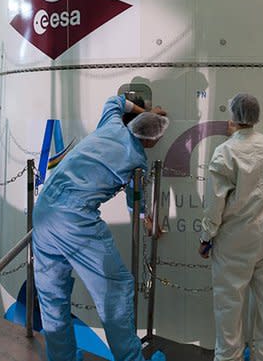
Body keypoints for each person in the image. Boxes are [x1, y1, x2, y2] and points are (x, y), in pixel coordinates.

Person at [33, 95, 169, 361]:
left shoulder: (112, 124)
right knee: (115, 290)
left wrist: (147, 111)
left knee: (52, 294)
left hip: (44, 209)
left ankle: (62, 358)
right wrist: (147, 220)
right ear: (150, 140)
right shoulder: (136, 159)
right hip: (75, 220)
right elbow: (135, 201)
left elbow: (114, 100)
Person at [200, 93, 263, 361]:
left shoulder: (225, 152)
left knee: (229, 304)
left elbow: (215, 202)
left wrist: (206, 236)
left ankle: (228, 357)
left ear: (233, 117)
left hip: (234, 239)